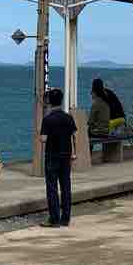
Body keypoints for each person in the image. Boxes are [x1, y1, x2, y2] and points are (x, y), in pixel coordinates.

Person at [39, 87, 77, 228]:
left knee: (52, 187)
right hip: (66, 155)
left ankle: (54, 219)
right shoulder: (68, 117)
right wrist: (74, 152)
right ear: (61, 101)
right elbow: (74, 135)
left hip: (51, 156)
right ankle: (65, 218)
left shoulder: (47, 119)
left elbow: (43, 139)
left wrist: (42, 136)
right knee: (66, 186)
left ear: (49, 102)